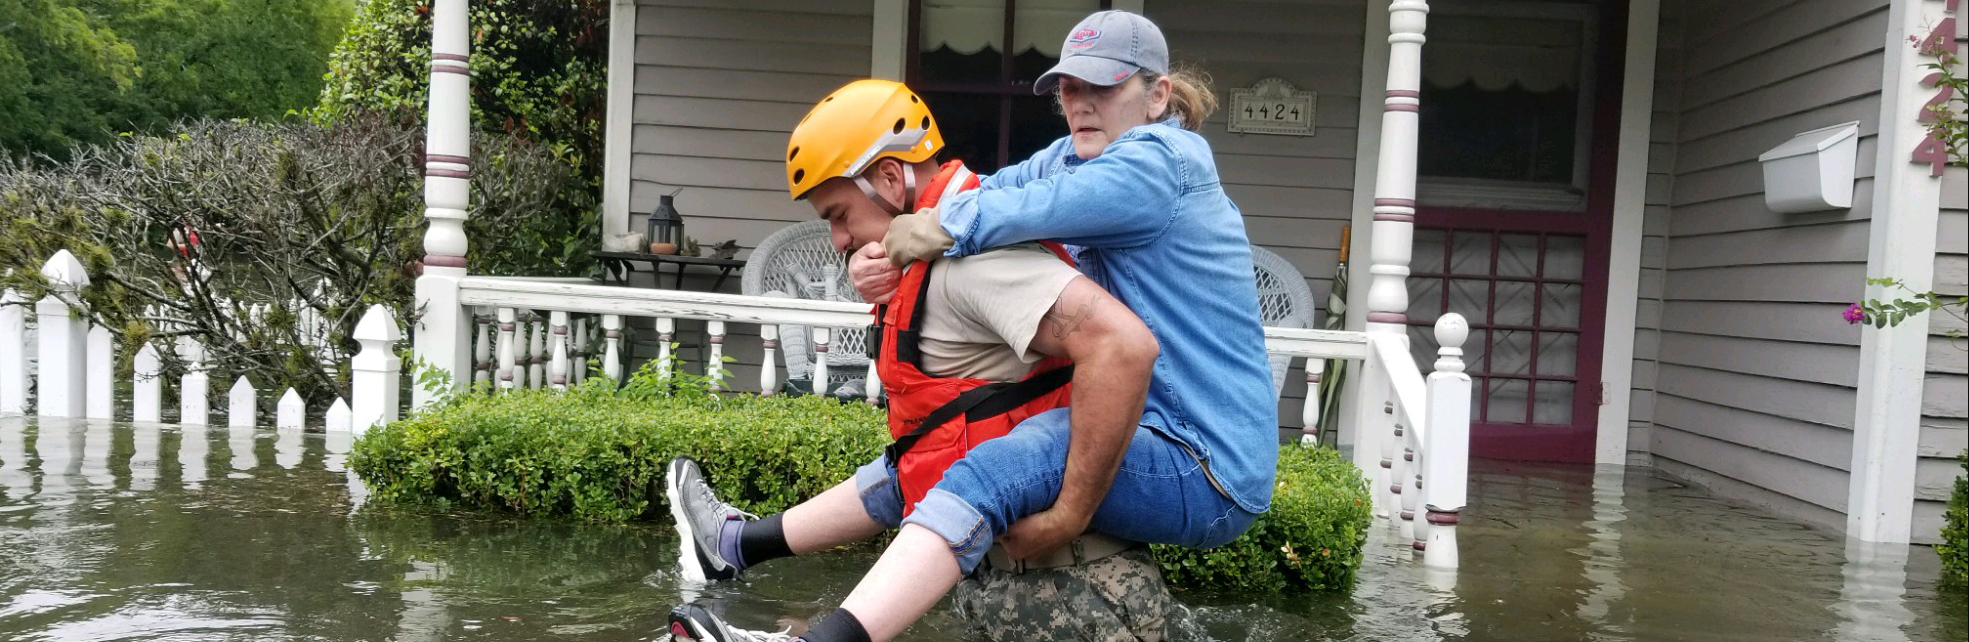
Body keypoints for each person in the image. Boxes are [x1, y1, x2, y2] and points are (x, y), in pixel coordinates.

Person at [669, 10, 1277, 642]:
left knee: (1000, 464)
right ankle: (737, 545)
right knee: (944, 443)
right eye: (1070, 89)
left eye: (1105, 87)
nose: (1082, 104)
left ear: (1157, 96)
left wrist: (1070, 514)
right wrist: (888, 250)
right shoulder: (1077, 156)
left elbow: (1035, 206)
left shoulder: (1163, 162)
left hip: (1205, 463)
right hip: (1161, 435)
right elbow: (996, 187)